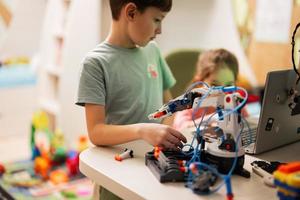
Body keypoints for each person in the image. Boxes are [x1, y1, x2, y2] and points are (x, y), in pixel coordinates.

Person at [76, 0, 186, 199]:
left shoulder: (153, 51)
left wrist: (165, 139)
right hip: (117, 172)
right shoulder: (95, 63)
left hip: (155, 167)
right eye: (156, 20)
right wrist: (143, 130)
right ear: (132, 12)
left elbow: (170, 106)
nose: (159, 30)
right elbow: (96, 132)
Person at [172, 48, 240, 131]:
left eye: (228, 85)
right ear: (199, 82)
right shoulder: (189, 103)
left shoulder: (235, 102)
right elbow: (181, 127)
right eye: (215, 85)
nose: (222, 92)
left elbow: (246, 122)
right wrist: (210, 120)